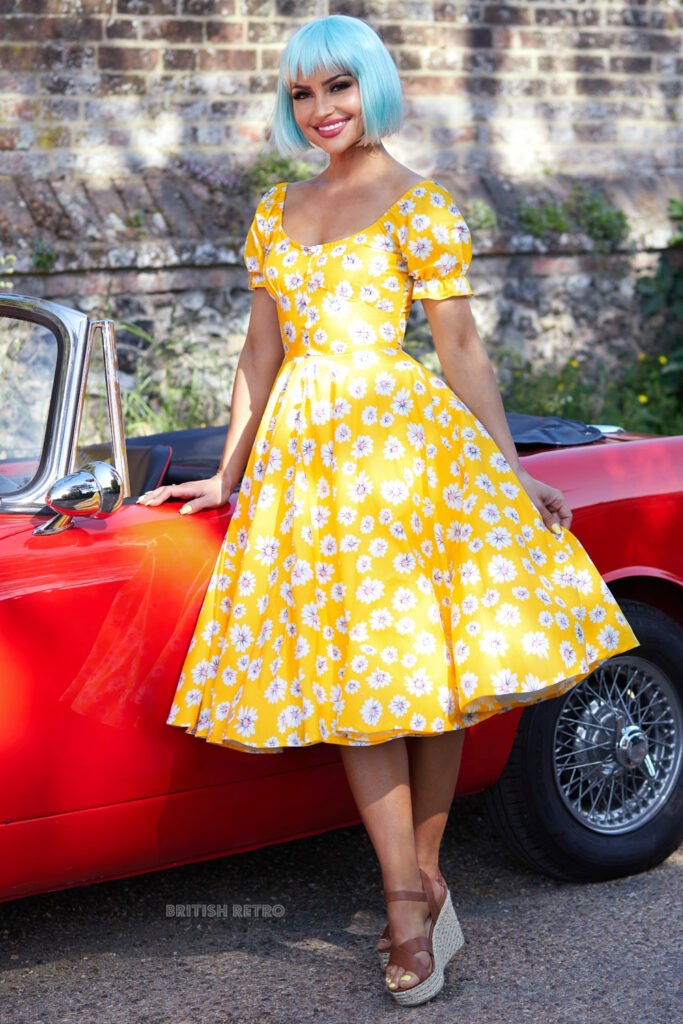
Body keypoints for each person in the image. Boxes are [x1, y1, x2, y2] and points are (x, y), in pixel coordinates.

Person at [137, 14, 639, 1006]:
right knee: (361, 683)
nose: (320, 109)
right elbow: (260, 356)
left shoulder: (421, 204)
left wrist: (507, 467)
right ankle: (408, 898)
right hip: (308, 467)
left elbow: (461, 352)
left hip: (402, 456)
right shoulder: (277, 210)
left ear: (373, 88)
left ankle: (415, 891)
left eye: (338, 87)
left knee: (421, 676)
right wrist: (228, 473)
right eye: (302, 94)